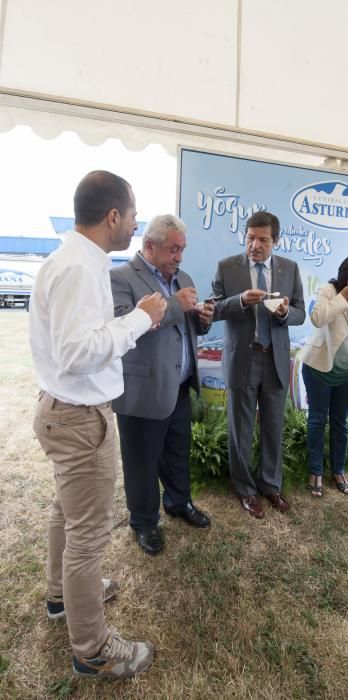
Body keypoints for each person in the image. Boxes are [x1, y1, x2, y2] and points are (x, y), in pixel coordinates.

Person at [30, 171, 167, 679]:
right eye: (133, 216)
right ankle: (92, 649)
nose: (135, 225)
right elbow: (76, 352)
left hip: (66, 412)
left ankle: (61, 596)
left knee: (66, 514)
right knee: (87, 537)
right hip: (79, 417)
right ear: (113, 216)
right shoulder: (79, 270)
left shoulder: (73, 261)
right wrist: (142, 317)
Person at [111, 215, 213, 555]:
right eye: (173, 249)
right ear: (150, 246)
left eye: (182, 249)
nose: (179, 257)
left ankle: (178, 502)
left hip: (179, 384)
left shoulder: (181, 277)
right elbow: (124, 328)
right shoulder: (121, 277)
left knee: (176, 451)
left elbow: (184, 328)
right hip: (143, 389)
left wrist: (201, 321)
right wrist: (175, 305)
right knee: (141, 459)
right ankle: (144, 521)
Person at [212, 211, 305, 519]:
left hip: (275, 358)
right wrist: (240, 300)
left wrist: (282, 313)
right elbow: (213, 309)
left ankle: (271, 485)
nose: (255, 245)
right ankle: (245, 490)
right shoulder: (227, 267)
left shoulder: (289, 269)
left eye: (263, 239)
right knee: (240, 427)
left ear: (275, 241)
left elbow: (300, 312)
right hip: (243, 357)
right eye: (250, 237)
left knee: (274, 426)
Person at [299, 254, 348, 497]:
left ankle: (339, 471)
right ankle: (315, 471)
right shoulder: (328, 290)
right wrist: (344, 296)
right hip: (319, 367)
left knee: (340, 423)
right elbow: (318, 318)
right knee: (317, 420)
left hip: (347, 371)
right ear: (346, 273)